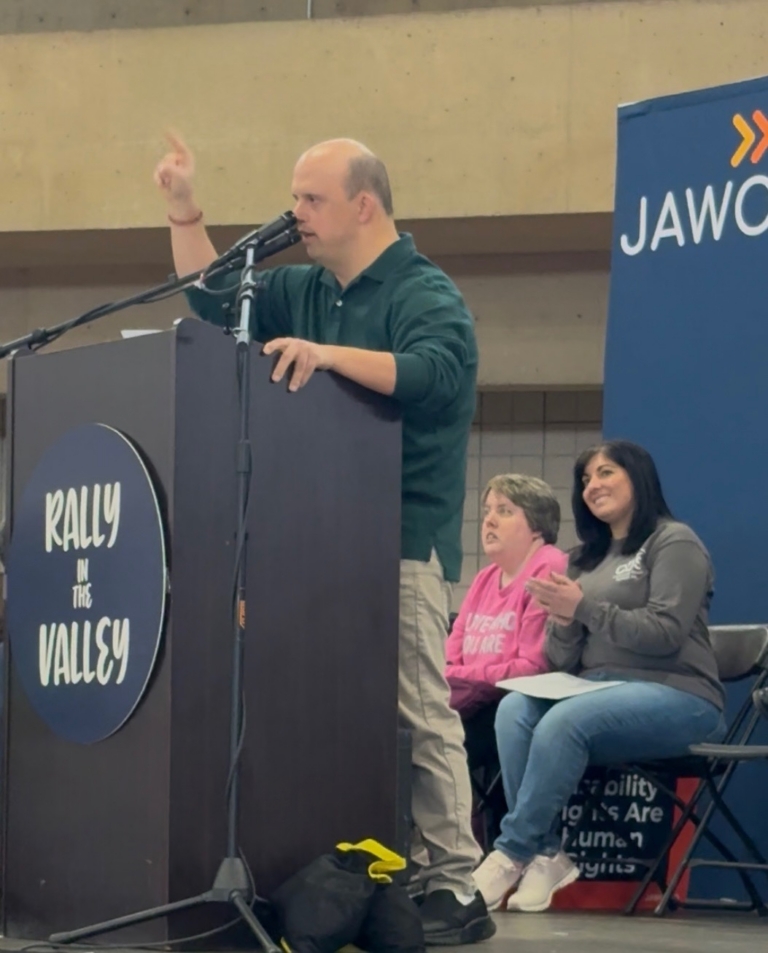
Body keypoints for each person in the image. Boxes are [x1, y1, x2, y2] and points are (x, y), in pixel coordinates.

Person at [153, 134, 493, 944]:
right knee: (318, 708)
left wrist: (327, 354)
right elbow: (210, 297)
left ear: (363, 204)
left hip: (402, 538)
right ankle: (344, 866)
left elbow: (435, 373)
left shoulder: (424, 291)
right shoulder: (304, 286)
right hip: (314, 540)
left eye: (309, 198)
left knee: (418, 707)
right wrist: (182, 209)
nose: (293, 213)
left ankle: (455, 882)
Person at [473, 440, 727, 913]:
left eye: (606, 473)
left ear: (639, 478)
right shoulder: (583, 557)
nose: (593, 486)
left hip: (679, 696)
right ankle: (547, 852)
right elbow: (562, 658)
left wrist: (584, 607)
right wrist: (566, 621)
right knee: (513, 710)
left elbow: (666, 634)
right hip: (596, 691)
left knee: (564, 721)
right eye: (586, 479)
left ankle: (510, 852)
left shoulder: (674, 541)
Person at [445, 474, 566, 771]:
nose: (489, 521)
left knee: (434, 744)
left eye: (505, 510)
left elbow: (534, 666)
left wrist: (467, 676)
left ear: (537, 525)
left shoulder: (549, 565)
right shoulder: (485, 577)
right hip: (474, 701)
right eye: (487, 510)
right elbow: (449, 657)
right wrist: (463, 676)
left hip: (518, 703)